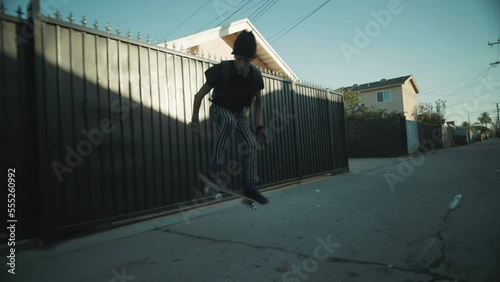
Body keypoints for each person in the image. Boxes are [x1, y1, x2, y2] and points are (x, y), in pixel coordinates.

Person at [189, 30, 269, 205]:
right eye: (238, 59)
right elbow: (198, 96)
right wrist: (195, 122)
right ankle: (215, 163)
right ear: (235, 57)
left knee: (251, 144)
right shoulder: (222, 69)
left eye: (245, 61)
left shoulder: (255, 76)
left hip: (238, 114)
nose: (241, 64)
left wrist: (259, 127)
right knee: (229, 120)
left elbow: (259, 102)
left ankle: (250, 186)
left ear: (251, 61)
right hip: (219, 109)